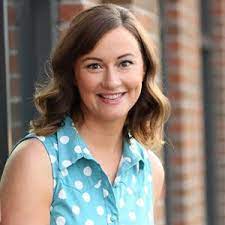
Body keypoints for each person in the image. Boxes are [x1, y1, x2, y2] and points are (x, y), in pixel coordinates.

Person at [0, 3, 170, 225]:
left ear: (144, 70)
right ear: (73, 74)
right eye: (94, 66)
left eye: (125, 63)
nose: (111, 81)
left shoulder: (149, 170)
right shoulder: (36, 162)